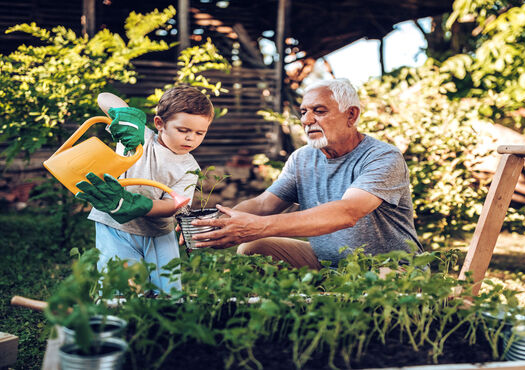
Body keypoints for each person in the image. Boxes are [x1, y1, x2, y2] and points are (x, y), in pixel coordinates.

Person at [185, 78, 422, 269]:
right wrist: (212, 225)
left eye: (319, 111)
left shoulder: (382, 156)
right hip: (327, 263)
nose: (307, 120)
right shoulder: (302, 158)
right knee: (255, 247)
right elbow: (265, 204)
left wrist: (259, 226)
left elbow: (347, 213)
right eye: (303, 112)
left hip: (388, 266)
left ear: (351, 115)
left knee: (383, 277)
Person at [75, 86, 214, 294]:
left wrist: (139, 205)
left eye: (199, 133)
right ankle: (117, 314)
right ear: (159, 124)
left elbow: (173, 204)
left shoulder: (189, 166)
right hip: (115, 226)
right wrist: (126, 117)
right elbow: (104, 97)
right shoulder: (138, 137)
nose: (190, 138)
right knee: (120, 286)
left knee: (168, 289)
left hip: (157, 233)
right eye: (183, 130)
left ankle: (164, 317)